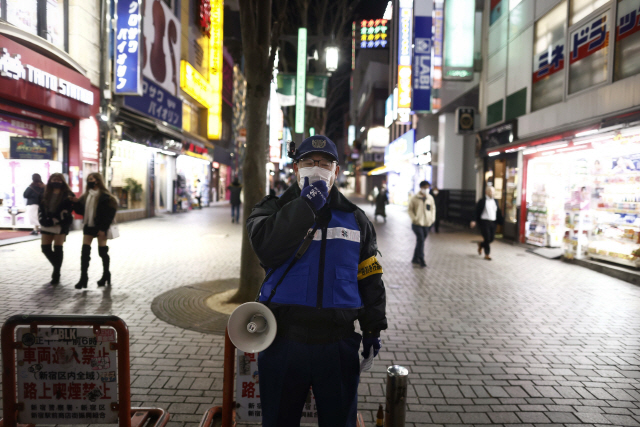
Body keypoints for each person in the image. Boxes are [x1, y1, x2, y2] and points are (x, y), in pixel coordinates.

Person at [247, 135, 387, 427]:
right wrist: (304, 207)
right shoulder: (271, 209)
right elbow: (266, 248)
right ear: (296, 169)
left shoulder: (356, 218)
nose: (317, 168)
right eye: (309, 162)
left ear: (336, 172)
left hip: (337, 344)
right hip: (283, 340)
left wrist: (373, 326)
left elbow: (369, 276)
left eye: (325, 163)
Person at [72, 173, 118, 289]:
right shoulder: (86, 195)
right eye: (88, 179)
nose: (89, 181)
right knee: (85, 252)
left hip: (100, 226)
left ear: (97, 181)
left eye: (91, 179)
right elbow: (81, 211)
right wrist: (75, 203)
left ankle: (106, 274)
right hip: (89, 225)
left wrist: (103, 228)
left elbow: (110, 213)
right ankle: (83, 278)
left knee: (102, 252)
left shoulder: (105, 196)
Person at [38, 173, 75, 285]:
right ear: (50, 181)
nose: (56, 181)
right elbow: (40, 208)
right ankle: (57, 266)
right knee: (45, 248)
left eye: (59, 180)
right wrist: (43, 219)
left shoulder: (68, 195)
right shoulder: (44, 193)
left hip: (61, 223)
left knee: (58, 247)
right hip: (46, 223)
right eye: (54, 179)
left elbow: (68, 211)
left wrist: (57, 219)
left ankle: (56, 273)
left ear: (63, 181)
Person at [470, 186, 504, 261]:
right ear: (486, 192)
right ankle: (487, 254)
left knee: (491, 238)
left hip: (493, 222)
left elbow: (498, 212)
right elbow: (476, 211)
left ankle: (481, 244)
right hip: (484, 222)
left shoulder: (495, 201)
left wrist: (501, 221)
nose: (492, 193)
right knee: (487, 238)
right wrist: (473, 220)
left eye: (493, 191)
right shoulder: (482, 201)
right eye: (491, 191)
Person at [408, 181, 436, 268]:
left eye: (427, 187)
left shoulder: (430, 198)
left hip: (427, 223)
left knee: (421, 241)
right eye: (425, 187)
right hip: (417, 223)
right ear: (421, 188)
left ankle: (415, 258)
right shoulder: (414, 198)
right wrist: (414, 218)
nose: (426, 189)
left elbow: (433, 208)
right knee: (421, 239)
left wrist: (432, 219)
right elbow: (410, 210)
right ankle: (421, 259)